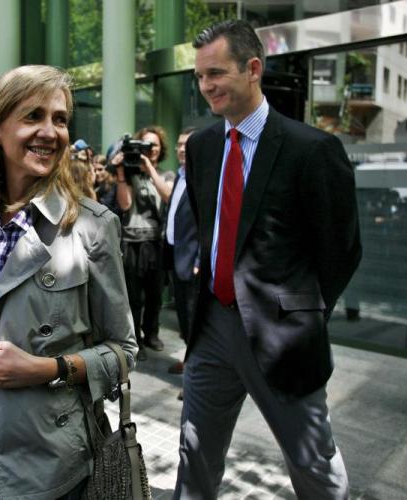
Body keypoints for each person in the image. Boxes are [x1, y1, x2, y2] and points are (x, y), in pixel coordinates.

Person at [0, 65, 137, 499]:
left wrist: (45, 369)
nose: (50, 132)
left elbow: (123, 351)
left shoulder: (93, 226)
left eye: (60, 119)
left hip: (49, 454)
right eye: (33, 116)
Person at [174, 20, 361, 499]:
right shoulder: (202, 147)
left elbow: (341, 250)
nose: (206, 86)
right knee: (194, 456)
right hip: (211, 328)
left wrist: (301, 311)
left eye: (216, 73)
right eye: (200, 76)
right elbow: (205, 229)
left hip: (283, 336)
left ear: (253, 69)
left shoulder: (312, 149)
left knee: (313, 466)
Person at [112, 125, 173, 360]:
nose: (150, 149)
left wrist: (150, 169)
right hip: (131, 243)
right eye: (146, 145)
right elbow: (125, 205)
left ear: (160, 148)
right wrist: (121, 173)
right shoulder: (129, 175)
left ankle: (152, 333)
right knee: (134, 297)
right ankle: (136, 339)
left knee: (155, 295)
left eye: (154, 145)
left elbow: (168, 196)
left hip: (155, 242)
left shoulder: (167, 175)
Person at [164, 127, 199, 379]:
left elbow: (210, 223)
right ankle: (189, 360)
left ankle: (194, 377)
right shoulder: (179, 176)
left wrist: (200, 259)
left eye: (188, 144)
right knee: (184, 318)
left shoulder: (203, 178)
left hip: (193, 262)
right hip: (175, 256)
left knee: (195, 319)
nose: (182, 149)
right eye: (180, 144)